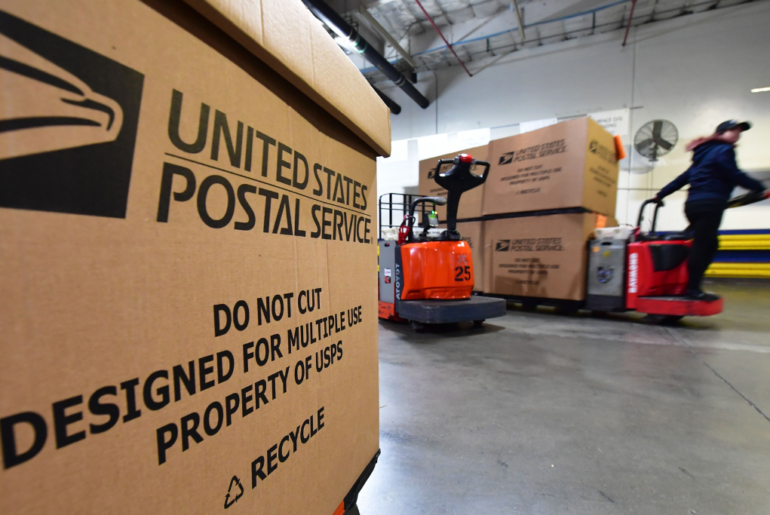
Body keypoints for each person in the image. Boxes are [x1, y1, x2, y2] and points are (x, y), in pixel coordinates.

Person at [654, 120, 766, 301]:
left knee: (707, 244)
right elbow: (733, 173)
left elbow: (682, 179)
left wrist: (660, 195)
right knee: (703, 245)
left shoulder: (701, 155)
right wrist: (759, 187)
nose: (737, 134)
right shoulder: (724, 150)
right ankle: (691, 288)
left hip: (692, 206)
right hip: (710, 204)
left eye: (739, 131)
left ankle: (686, 283)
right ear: (721, 133)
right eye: (733, 130)